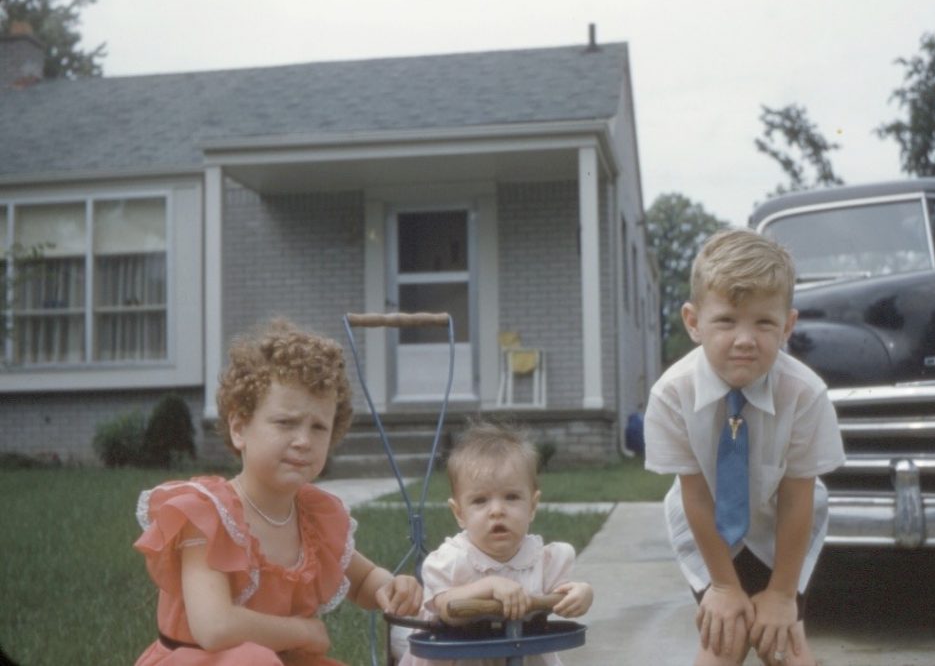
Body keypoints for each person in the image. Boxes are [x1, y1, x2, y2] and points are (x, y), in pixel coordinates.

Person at [134, 319, 422, 666]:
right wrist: (302, 632)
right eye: (285, 423)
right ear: (240, 428)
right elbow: (214, 627)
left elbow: (362, 581)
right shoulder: (208, 514)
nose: (303, 440)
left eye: (319, 427)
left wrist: (391, 587)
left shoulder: (313, 518)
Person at [643, 229, 845, 666]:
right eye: (727, 320)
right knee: (725, 640)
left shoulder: (805, 395)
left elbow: (797, 499)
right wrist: (722, 586)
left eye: (764, 322)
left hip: (782, 530)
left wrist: (782, 593)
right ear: (693, 321)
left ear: (788, 325)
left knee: (782, 644)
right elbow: (695, 495)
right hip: (708, 531)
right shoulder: (671, 396)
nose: (745, 339)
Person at [396, 422, 594, 666]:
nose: (497, 511)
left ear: (532, 506)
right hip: (460, 657)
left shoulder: (542, 559)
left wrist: (581, 593)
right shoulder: (453, 559)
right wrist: (489, 586)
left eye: (511, 497)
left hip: (523, 655)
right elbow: (446, 607)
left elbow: (561, 594)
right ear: (459, 513)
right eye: (480, 501)